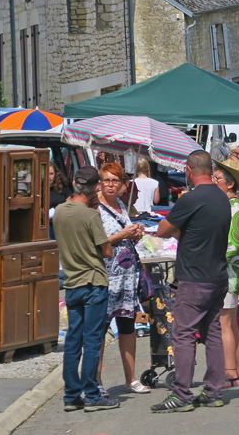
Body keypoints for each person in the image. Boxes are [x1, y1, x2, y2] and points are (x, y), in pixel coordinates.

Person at [152, 151, 232, 413]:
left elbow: (163, 230)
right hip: (217, 274)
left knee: (183, 334)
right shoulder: (222, 197)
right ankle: (214, 391)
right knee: (212, 333)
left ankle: (181, 393)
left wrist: (178, 228)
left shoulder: (191, 198)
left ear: (188, 170)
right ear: (211, 169)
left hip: (195, 277)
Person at [57, 166, 118, 412]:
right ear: (96, 188)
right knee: (92, 341)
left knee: (73, 340)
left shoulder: (60, 211)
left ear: (73, 182)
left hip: (72, 282)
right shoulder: (91, 216)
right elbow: (107, 251)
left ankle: (71, 395)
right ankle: (92, 394)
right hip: (93, 281)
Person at [95, 163, 148, 395]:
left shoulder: (119, 206)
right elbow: (98, 243)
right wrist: (122, 235)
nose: (110, 184)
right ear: (99, 182)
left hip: (127, 278)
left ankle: (131, 378)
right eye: (106, 180)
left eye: (115, 181)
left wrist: (134, 234)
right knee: (100, 330)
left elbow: (124, 238)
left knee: (127, 327)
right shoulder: (94, 208)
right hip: (106, 276)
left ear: (122, 185)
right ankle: (96, 382)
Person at [212, 161, 239, 391]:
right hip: (233, 271)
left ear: (229, 183)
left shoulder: (234, 208)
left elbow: (233, 245)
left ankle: (230, 376)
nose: (213, 182)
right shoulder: (230, 205)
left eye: (217, 178)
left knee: (224, 324)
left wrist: (211, 260)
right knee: (232, 326)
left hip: (229, 272)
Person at [48, 162, 69, 240]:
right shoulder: (38, 189)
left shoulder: (62, 187)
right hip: (46, 226)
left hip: (61, 223)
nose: (49, 177)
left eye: (51, 174)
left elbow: (70, 203)